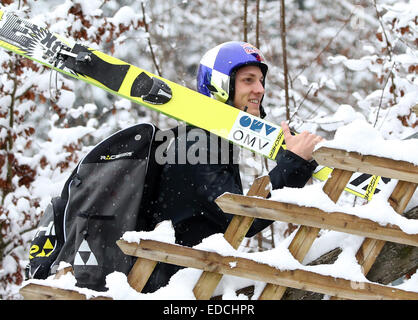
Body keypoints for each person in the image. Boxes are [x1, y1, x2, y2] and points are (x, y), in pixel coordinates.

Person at [143, 41, 323, 292]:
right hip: (172, 288)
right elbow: (243, 220)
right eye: (248, 80)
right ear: (219, 85)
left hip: (194, 283)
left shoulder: (211, 140)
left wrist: (297, 163)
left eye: (261, 81)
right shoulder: (197, 145)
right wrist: (294, 163)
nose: (260, 89)